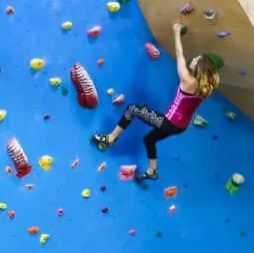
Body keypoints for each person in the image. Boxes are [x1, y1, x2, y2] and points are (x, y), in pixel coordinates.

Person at [92, 22, 218, 181]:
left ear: (200, 67)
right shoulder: (204, 87)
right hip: (180, 126)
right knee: (149, 139)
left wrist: (177, 32)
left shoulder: (188, 80)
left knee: (132, 109)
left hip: (169, 122)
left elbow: (179, 54)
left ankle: (110, 138)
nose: (193, 59)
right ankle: (152, 171)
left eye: (196, 59)